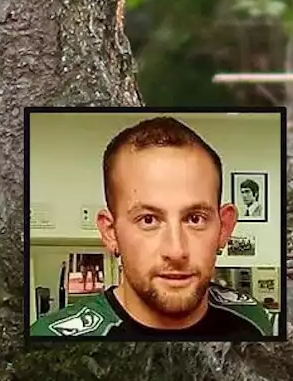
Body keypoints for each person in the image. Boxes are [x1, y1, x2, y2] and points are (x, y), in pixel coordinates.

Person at [30, 116, 274, 339]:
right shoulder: (50, 340)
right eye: (148, 220)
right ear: (110, 233)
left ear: (224, 228)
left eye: (195, 219)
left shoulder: (253, 320)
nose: (176, 251)